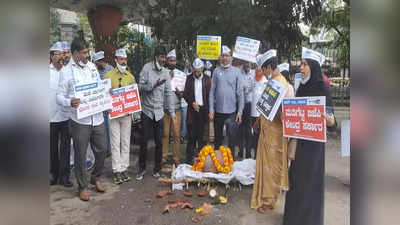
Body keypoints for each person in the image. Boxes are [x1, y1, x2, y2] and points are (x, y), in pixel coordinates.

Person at [283, 48, 336, 225]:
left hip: (314, 149)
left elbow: (332, 121)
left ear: (313, 67)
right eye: (301, 64)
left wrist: (328, 120)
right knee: (297, 181)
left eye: (304, 64)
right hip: (300, 145)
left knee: (311, 184)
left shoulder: (323, 88)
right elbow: (296, 114)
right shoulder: (302, 87)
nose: (301, 68)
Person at [57, 37, 106, 201]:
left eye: (88, 52)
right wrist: (70, 102)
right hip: (79, 121)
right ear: (76, 53)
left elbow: (99, 88)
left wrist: (107, 94)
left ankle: (96, 177)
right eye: (84, 52)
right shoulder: (66, 71)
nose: (87, 55)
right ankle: (83, 186)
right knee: (80, 154)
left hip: (97, 118)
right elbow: (59, 97)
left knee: (102, 150)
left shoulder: (92, 67)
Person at [250, 49, 293, 213]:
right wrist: (258, 121)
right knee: (264, 166)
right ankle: (263, 196)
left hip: (276, 135)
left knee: (273, 169)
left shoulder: (283, 84)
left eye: (264, 69)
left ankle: (270, 201)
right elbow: (266, 107)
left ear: (269, 67)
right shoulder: (272, 82)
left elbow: (285, 113)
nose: (263, 72)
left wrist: (279, 112)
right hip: (266, 132)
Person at [136, 46, 175, 181]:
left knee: (160, 142)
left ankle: (157, 170)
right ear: (156, 57)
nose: (163, 60)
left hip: (159, 112)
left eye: (165, 57)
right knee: (144, 141)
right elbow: (140, 86)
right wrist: (153, 85)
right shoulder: (146, 68)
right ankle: (141, 169)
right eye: (161, 57)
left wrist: (172, 112)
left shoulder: (165, 72)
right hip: (147, 110)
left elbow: (168, 93)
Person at [104, 48, 136, 184]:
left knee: (125, 141)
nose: (123, 62)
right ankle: (116, 170)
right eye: (121, 59)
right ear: (116, 60)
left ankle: (124, 168)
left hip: (126, 115)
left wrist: (132, 108)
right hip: (113, 114)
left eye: (125, 59)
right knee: (115, 142)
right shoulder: (108, 76)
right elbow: (103, 95)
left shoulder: (130, 76)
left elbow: (134, 95)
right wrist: (107, 97)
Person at [209, 45, 244, 154]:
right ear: (220, 57)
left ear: (231, 57)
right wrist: (211, 109)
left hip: (232, 112)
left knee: (232, 140)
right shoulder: (215, 71)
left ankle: (231, 163)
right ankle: (217, 162)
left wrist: (240, 111)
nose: (225, 58)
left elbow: (240, 94)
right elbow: (211, 92)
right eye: (223, 55)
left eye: (227, 55)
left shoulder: (237, 72)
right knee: (218, 140)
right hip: (218, 112)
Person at [49, 42, 73, 187]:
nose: (60, 57)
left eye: (62, 54)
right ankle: (53, 175)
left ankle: (65, 177)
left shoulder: (68, 71)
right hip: (50, 116)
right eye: (57, 54)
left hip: (66, 116)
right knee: (51, 148)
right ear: (51, 56)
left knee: (65, 147)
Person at [183, 58, 211, 164]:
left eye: (199, 71)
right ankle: (188, 161)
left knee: (201, 137)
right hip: (192, 110)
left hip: (203, 110)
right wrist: (192, 102)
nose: (197, 73)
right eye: (195, 71)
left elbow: (210, 96)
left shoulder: (207, 79)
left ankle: (201, 160)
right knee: (191, 136)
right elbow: (185, 94)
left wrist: (210, 111)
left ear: (202, 69)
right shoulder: (189, 78)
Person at [162, 49, 183, 169]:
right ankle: (163, 157)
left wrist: (180, 93)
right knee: (164, 134)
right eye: (170, 60)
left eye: (174, 60)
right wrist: (167, 78)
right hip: (165, 109)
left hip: (176, 109)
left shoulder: (181, 74)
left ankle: (176, 158)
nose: (172, 62)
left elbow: (183, 94)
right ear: (167, 61)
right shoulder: (162, 72)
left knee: (176, 134)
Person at [92, 51, 114, 158]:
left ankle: (108, 150)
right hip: (97, 102)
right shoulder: (94, 70)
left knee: (107, 127)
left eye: (97, 63)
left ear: (101, 61)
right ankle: (102, 150)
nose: (96, 65)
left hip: (108, 103)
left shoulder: (110, 69)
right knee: (100, 128)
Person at [249, 67, 268, 159]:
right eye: (256, 70)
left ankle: (259, 157)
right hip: (253, 113)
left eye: (259, 70)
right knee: (254, 136)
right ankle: (255, 157)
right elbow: (249, 91)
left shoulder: (266, 82)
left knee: (260, 136)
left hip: (261, 115)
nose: (257, 72)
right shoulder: (253, 81)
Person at [238, 61, 255, 159]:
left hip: (248, 104)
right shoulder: (238, 73)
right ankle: (240, 151)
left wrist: (247, 89)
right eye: (246, 63)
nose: (247, 65)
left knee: (248, 130)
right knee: (240, 129)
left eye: (249, 64)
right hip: (240, 104)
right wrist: (241, 88)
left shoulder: (252, 74)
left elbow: (253, 87)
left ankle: (248, 152)